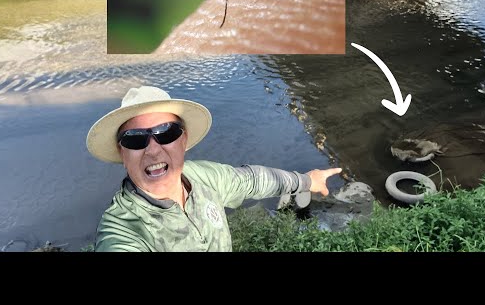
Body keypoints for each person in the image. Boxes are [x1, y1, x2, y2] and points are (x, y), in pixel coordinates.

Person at [86, 85, 342, 252]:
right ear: (122, 151)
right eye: (135, 138)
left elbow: (253, 180)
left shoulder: (204, 177)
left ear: (183, 140)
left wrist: (307, 181)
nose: (153, 149)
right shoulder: (122, 230)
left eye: (167, 132)